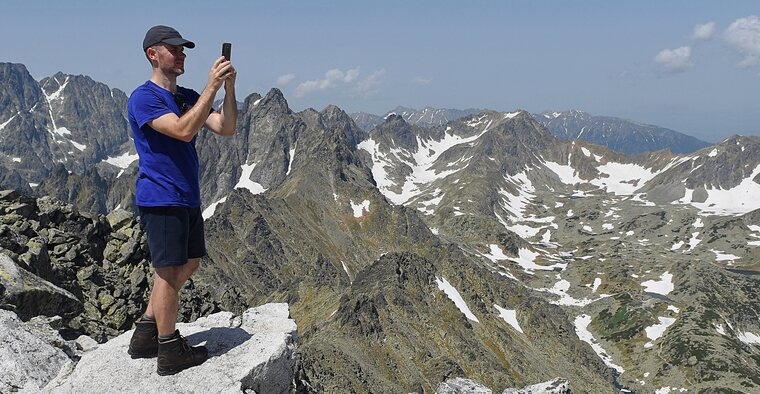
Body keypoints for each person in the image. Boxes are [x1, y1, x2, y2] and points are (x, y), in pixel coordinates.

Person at [126, 25, 237, 376]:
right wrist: (212, 87)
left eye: (183, 49)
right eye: (174, 49)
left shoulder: (187, 95)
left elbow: (226, 127)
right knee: (169, 272)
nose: (182, 54)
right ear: (153, 55)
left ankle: (146, 330)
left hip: (186, 196)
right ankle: (169, 349)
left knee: (188, 263)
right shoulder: (144, 98)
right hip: (161, 197)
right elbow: (183, 130)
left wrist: (229, 89)